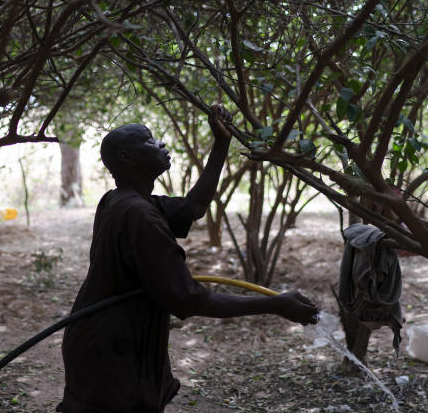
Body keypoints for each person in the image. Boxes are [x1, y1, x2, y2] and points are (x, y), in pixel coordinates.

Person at [57, 105, 319, 413]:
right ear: (127, 158)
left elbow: (194, 205)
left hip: (100, 343)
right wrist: (276, 304)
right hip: (111, 353)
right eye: (151, 140)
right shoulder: (140, 216)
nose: (161, 145)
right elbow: (189, 299)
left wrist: (221, 143)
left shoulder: (121, 201)